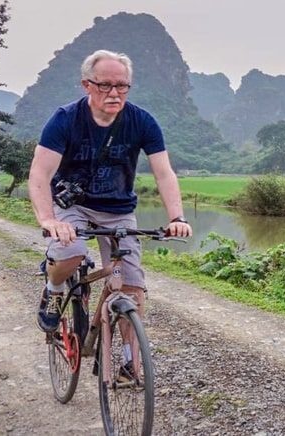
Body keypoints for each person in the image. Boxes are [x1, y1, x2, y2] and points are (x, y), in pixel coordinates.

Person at [28, 49, 192, 333]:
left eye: (122, 86)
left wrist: (177, 218)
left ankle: (131, 367)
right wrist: (48, 220)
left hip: (118, 210)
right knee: (72, 251)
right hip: (74, 205)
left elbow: (164, 173)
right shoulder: (66, 119)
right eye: (105, 85)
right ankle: (53, 290)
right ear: (87, 85)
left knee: (131, 289)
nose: (114, 93)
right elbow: (40, 174)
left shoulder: (142, 121)